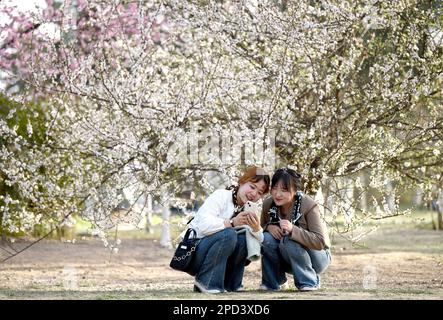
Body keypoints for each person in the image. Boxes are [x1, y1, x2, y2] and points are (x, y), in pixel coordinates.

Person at [187, 166, 270, 293]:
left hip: (218, 254)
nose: (254, 194)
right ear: (242, 181)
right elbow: (203, 226)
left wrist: (256, 229)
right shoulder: (221, 196)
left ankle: (232, 284)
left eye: (259, 192)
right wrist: (231, 222)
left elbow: (259, 243)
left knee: (243, 238)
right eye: (252, 187)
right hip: (195, 251)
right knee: (229, 234)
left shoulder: (248, 209)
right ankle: (206, 282)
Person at [260, 168, 331, 291]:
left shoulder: (308, 205)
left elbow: (320, 241)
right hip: (288, 258)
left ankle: (309, 282)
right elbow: (259, 230)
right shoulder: (268, 204)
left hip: (317, 257)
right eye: (275, 188)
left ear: (295, 190)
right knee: (265, 238)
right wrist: (268, 227)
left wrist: (293, 230)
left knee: (290, 240)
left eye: (284, 190)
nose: (277, 194)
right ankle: (274, 281)